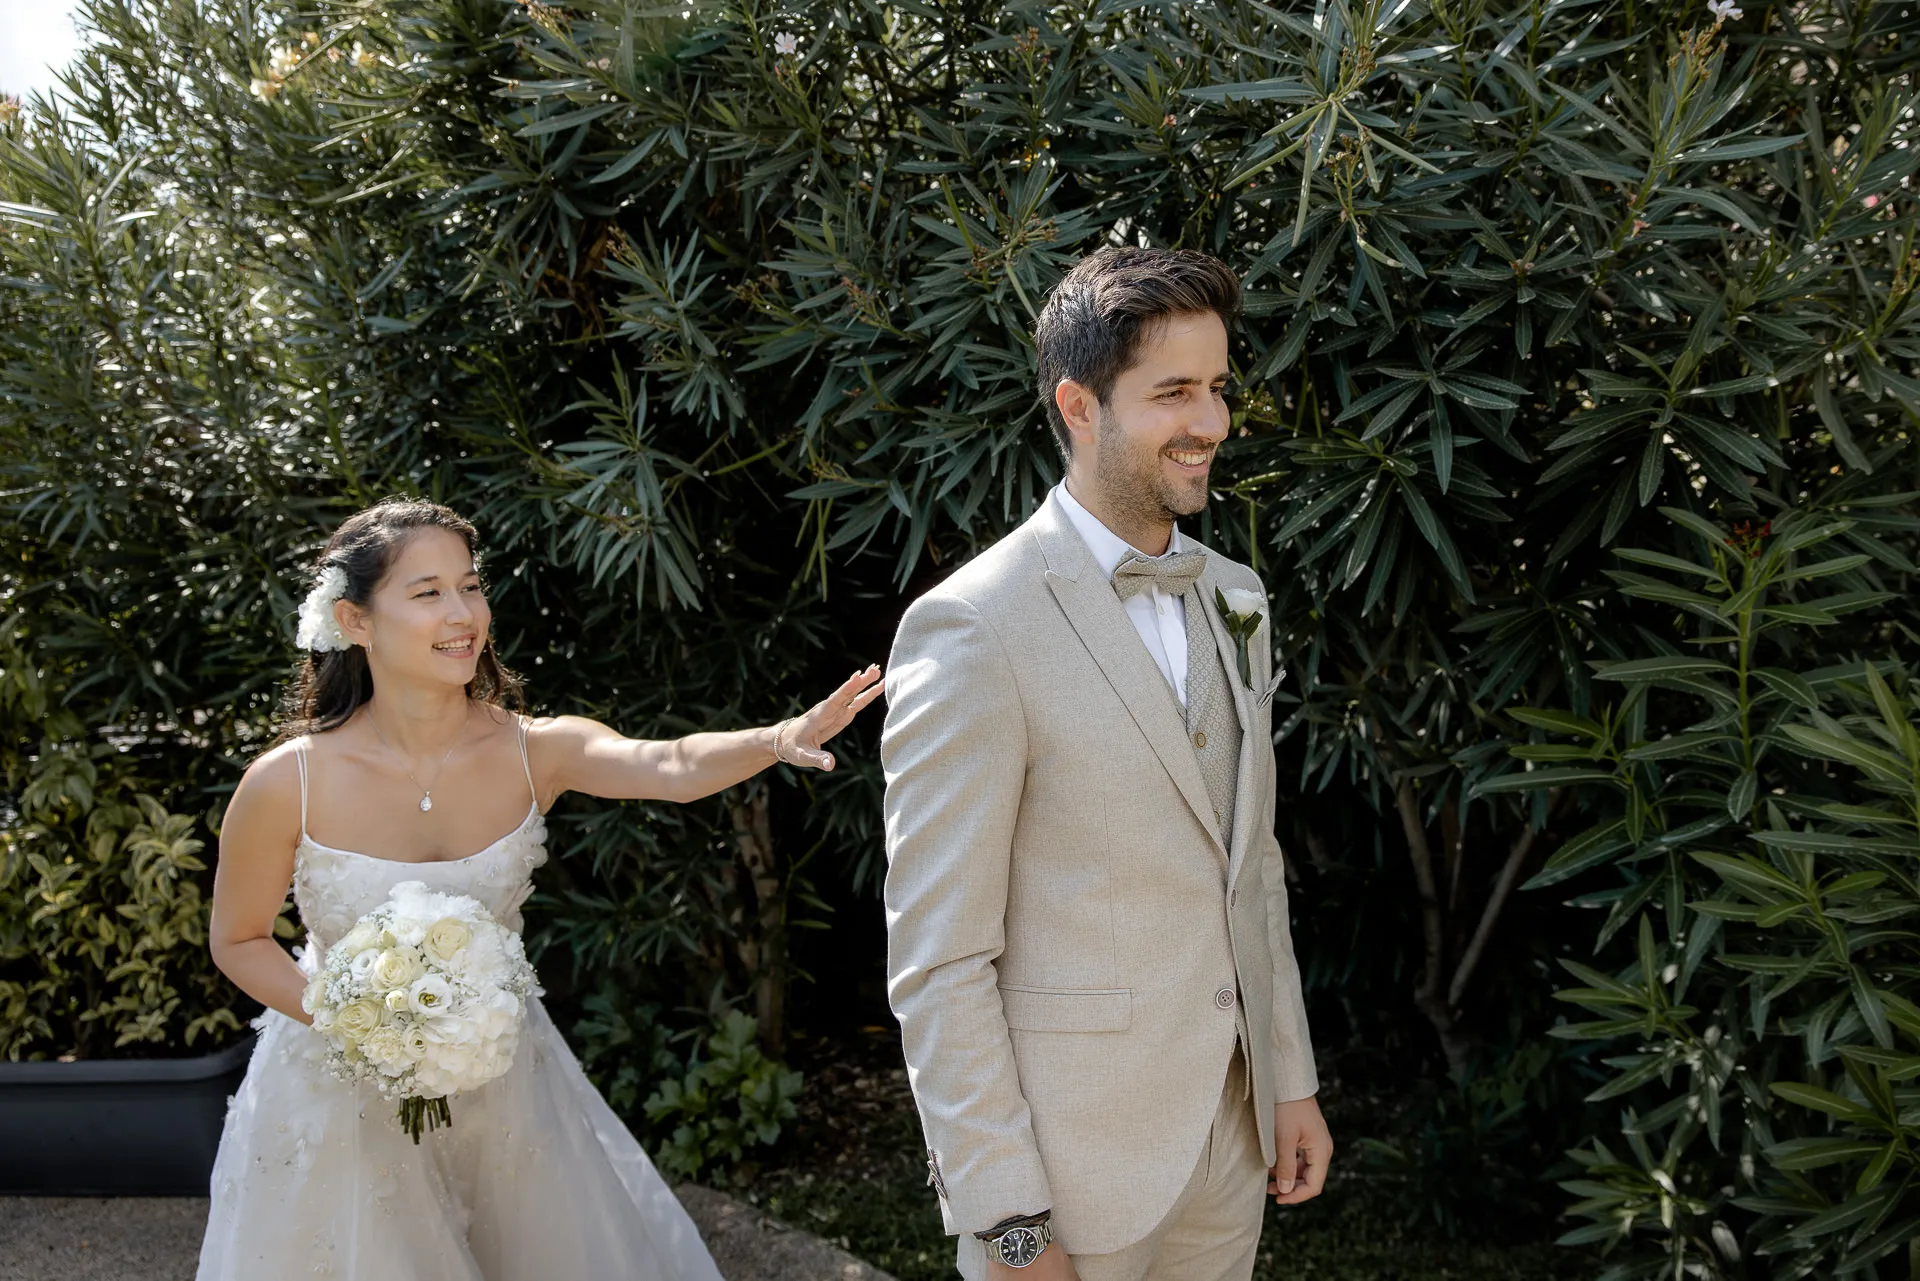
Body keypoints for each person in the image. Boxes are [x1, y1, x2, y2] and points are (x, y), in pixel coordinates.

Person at [198, 498, 883, 1280]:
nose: (462, 614)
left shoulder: (535, 750)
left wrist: (776, 739)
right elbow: (239, 938)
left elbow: (668, 764)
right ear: (356, 620)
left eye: (471, 585)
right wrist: (363, 1022)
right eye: (427, 592)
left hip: (503, 1087)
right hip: (337, 1094)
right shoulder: (287, 781)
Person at [881, 246, 1332, 1281]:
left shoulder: (1238, 595)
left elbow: (1251, 866)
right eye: (1173, 393)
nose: (1212, 422)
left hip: (1232, 1142)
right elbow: (941, 960)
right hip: (1072, 1172)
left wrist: (1290, 1078)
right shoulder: (972, 627)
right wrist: (1009, 1223)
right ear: (1078, 406)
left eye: (1217, 387)